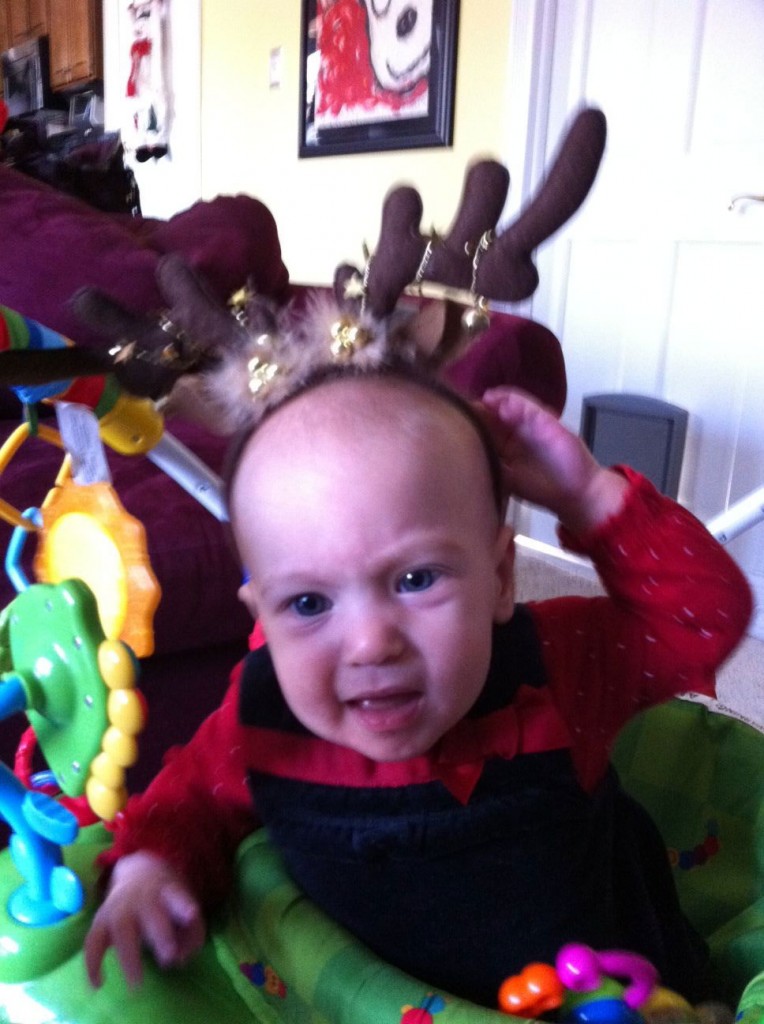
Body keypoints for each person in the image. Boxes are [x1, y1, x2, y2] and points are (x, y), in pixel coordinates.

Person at [84, 362, 752, 1008]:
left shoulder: (557, 669)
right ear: (263, 617)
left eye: (415, 580)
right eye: (309, 603)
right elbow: (190, 802)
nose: (371, 643)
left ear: (501, 578)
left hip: (607, 993)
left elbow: (704, 617)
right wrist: (150, 869)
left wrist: (588, 497)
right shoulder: (261, 719)